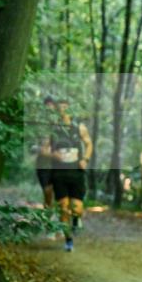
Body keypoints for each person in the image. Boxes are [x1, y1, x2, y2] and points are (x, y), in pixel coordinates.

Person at [42, 99, 93, 252]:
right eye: (60, 107)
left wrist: (85, 159)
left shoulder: (79, 127)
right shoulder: (52, 129)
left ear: (70, 109)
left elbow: (89, 144)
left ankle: (76, 219)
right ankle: (68, 240)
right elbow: (43, 150)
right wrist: (53, 155)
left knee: (77, 209)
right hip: (59, 174)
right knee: (63, 208)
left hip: (76, 173)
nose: (62, 110)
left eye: (65, 107)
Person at [35, 97, 57, 208]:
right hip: (43, 165)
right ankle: (48, 216)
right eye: (47, 108)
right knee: (47, 192)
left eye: (52, 108)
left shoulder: (60, 125)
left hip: (58, 165)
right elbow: (33, 147)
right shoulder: (38, 126)